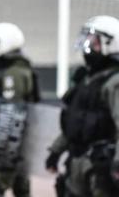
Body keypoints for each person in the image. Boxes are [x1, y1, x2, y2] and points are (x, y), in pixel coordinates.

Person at [46, 15, 119, 197]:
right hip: (77, 160)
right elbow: (75, 122)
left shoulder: (114, 82)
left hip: (101, 165)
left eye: (93, 42)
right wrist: (56, 151)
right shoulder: (85, 80)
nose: (87, 48)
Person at [0, 22, 40, 197]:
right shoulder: (19, 69)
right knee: (21, 188)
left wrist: (3, 152)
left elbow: (11, 115)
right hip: (20, 143)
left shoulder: (14, 74)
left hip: (13, 145)